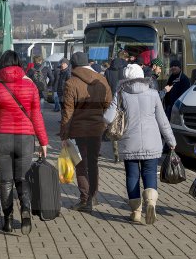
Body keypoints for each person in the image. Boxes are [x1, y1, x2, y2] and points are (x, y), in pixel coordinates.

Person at [0, 50, 48, 235]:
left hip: (1, 138)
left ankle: (8, 219)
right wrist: (43, 141)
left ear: (2, 64)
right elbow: (36, 116)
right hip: (25, 138)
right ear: (19, 63)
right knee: (23, 177)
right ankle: (25, 209)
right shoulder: (31, 86)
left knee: (6, 180)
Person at [104, 64, 176, 224]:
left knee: (132, 175)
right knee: (149, 172)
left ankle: (136, 212)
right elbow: (162, 120)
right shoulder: (153, 94)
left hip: (129, 142)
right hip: (152, 142)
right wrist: (171, 140)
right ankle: (151, 202)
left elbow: (108, 118)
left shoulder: (121, 94)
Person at [60, 52, 112, 212]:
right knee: (93, 162)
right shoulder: (101, 80)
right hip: (97, 128)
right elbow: (108, 104)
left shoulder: (71, 83)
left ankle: (84, 199)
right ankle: (93, 196)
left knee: (81, 164)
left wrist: (64, 134)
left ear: (73, 66)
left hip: (79, 129)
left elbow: (68, 112)